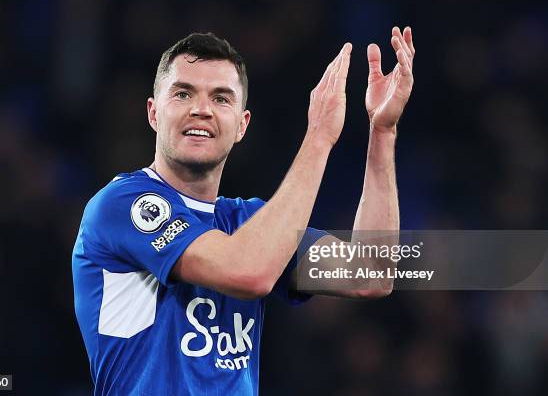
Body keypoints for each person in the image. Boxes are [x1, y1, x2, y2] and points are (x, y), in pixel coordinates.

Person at [72, 28, 415, 395]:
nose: (201, 109)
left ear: (242, 125)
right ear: (154, 113)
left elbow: (370, 274)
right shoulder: (122, 206)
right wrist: (318, 137)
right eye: (183, 93)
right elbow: (249, 272)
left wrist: (382, 131)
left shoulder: (248, 224)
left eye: (221, 98)